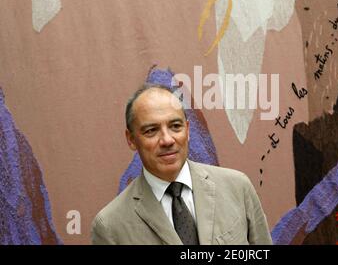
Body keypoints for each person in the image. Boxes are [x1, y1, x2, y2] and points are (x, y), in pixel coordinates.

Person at [91, 84, 273, 245]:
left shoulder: (237, 188)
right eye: (151, 130)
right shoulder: (110, 226)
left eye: (175, 126)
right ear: (131, 139)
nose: (167, 140)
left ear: (187, 130)